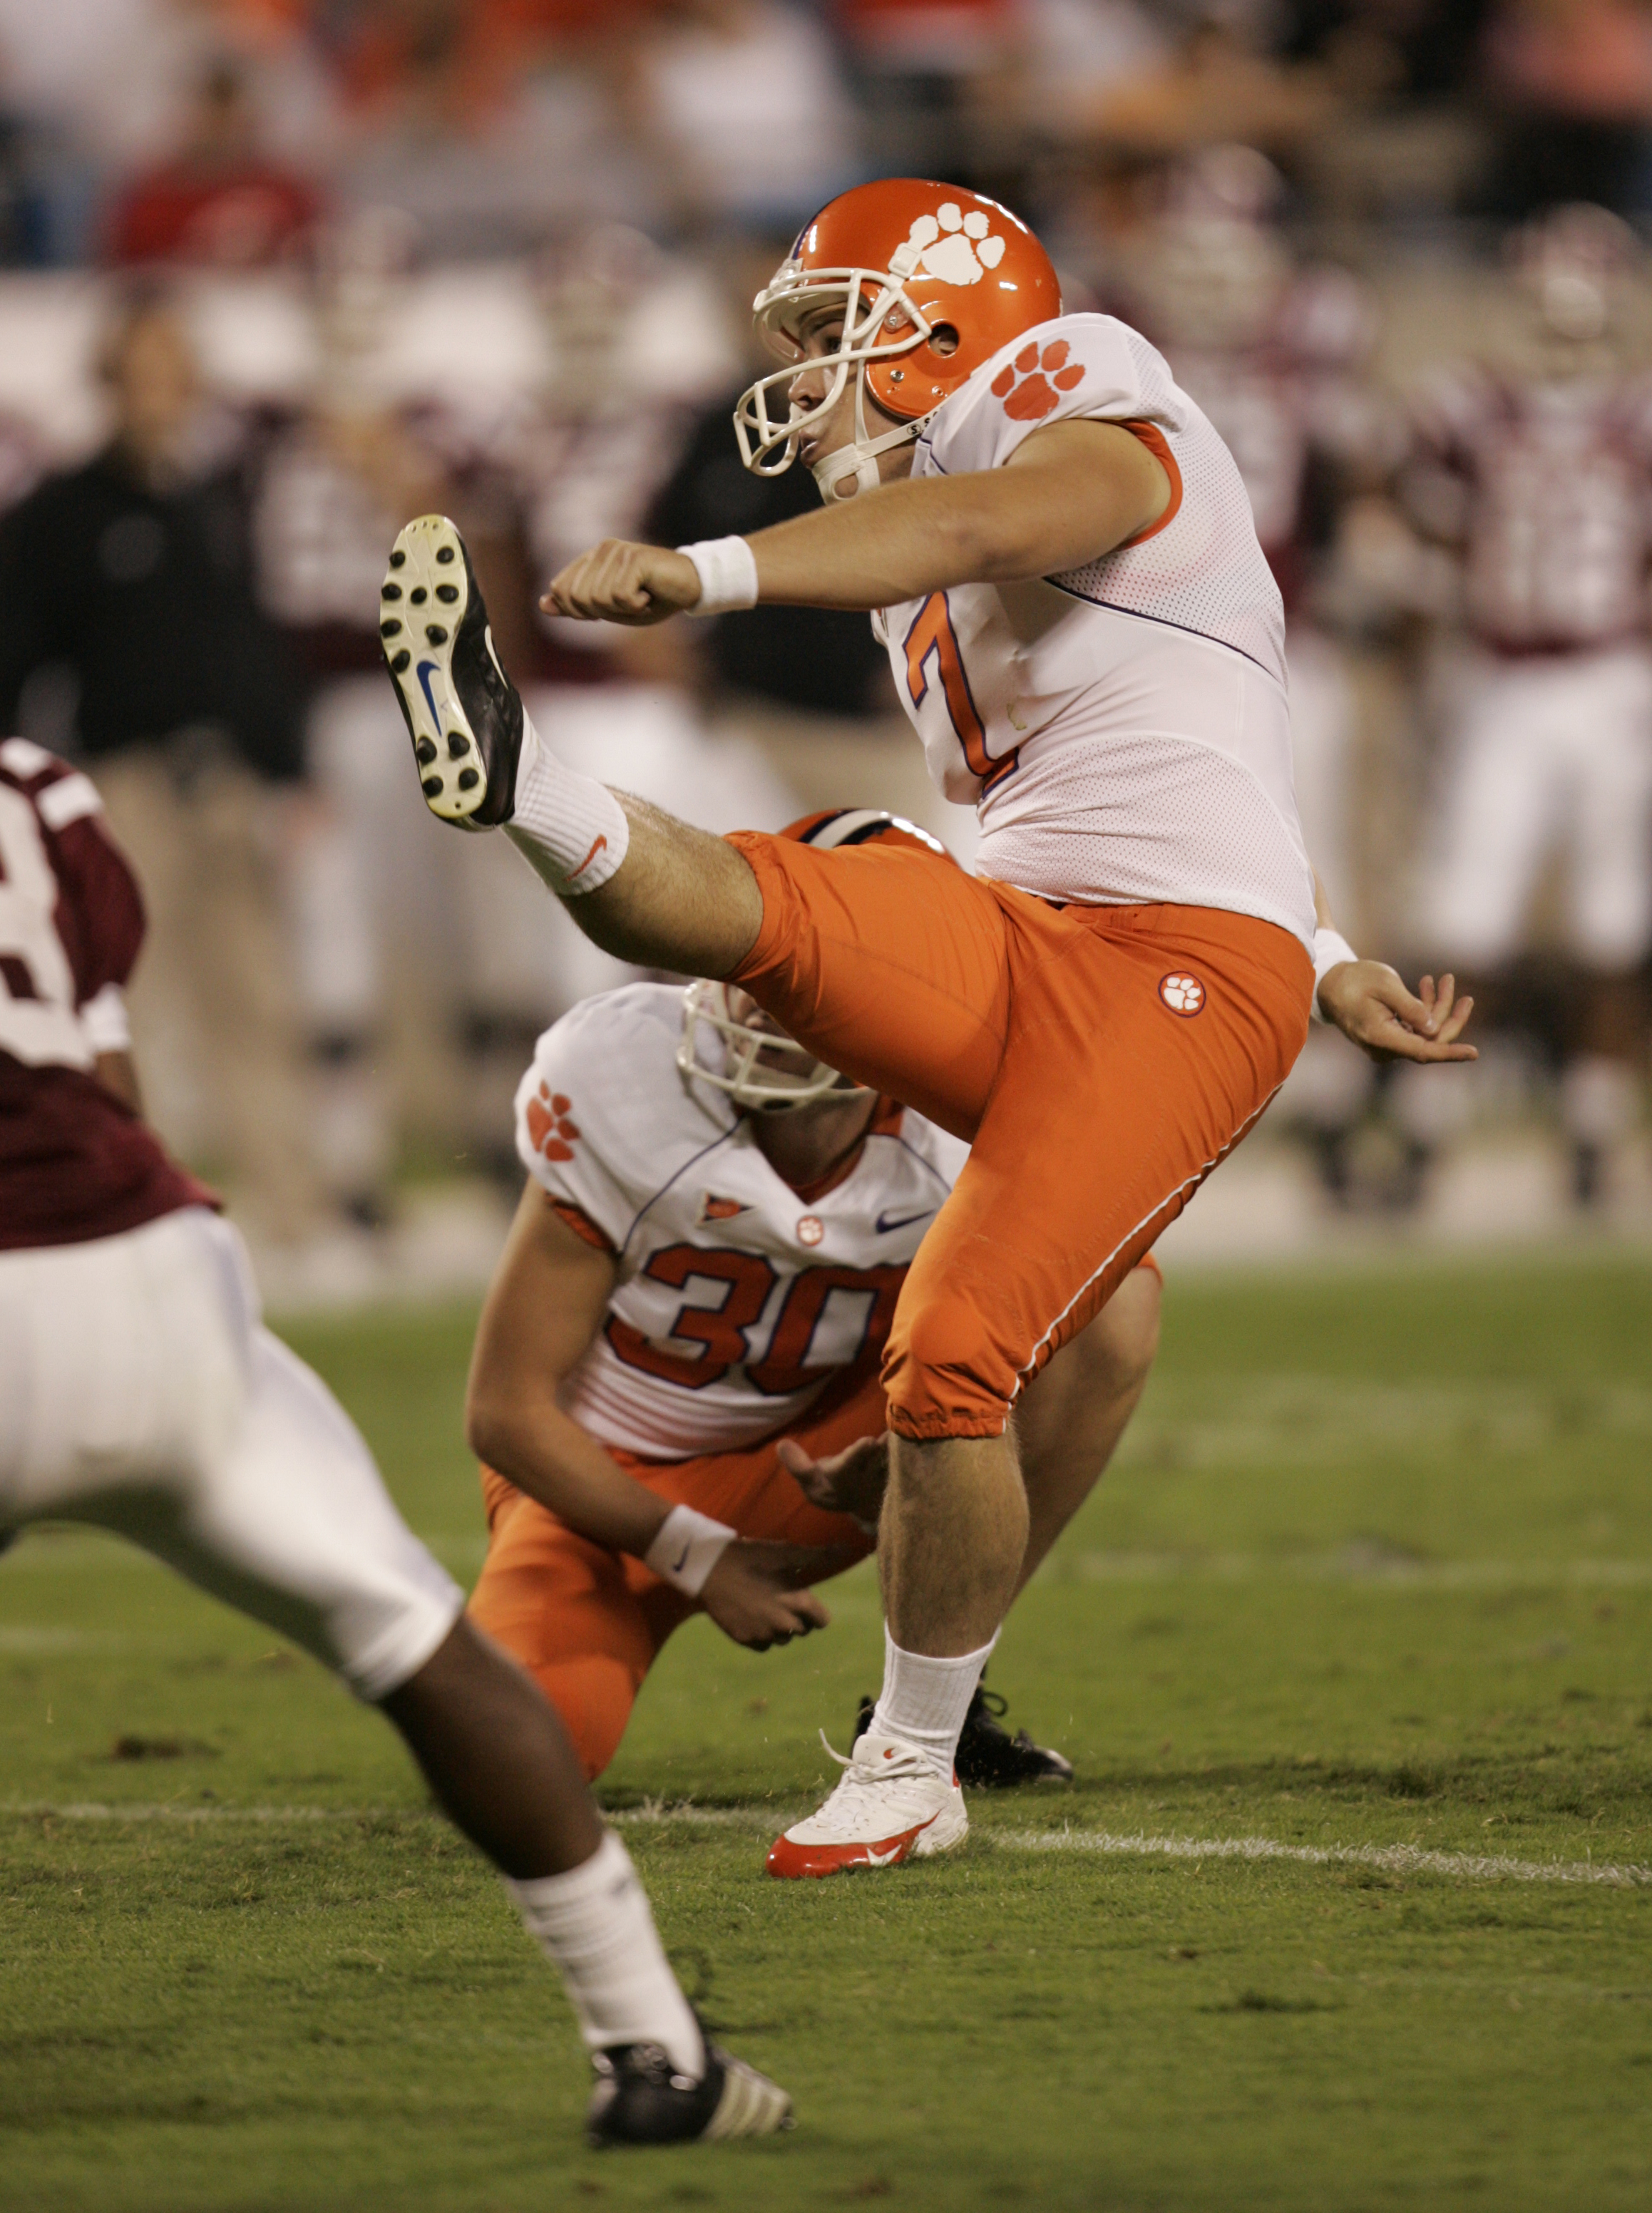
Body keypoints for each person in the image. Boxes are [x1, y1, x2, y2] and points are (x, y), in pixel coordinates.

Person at [380, 177, 1474, 1879]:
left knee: (955, 1349)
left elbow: (977, 534)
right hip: (1036, 921)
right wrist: (1336, 951)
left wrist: (703, 572)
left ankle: (913, 1757)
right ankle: (525, 787)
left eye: (832, 331)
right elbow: (1189, 753)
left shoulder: (1091, 410)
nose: (808, 371)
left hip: (1173, 979)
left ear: (943, 325)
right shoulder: (951, 529)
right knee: (787, 909)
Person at [0, 737, 789, 2146]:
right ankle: (655, 2051)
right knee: (415, 1639)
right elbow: (102, 1070)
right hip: (140, 1267)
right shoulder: (32, 787)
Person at [463, 809, 1162, 1799]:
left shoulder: (968, 1106)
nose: (762, 992)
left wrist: (929, 1443)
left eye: (817, 955)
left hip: (828, 1462)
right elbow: (506, 1412)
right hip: (604, 1488)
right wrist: (694, 1557)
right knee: (511, 1763)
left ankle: (940, 1701)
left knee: (1111, 1299)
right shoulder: (624, 1079)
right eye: (757, 947)